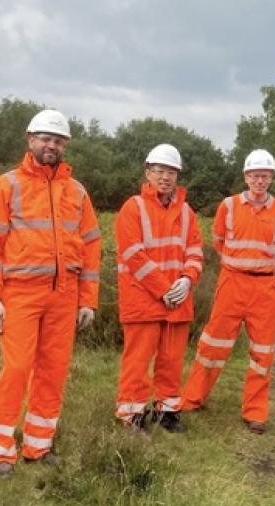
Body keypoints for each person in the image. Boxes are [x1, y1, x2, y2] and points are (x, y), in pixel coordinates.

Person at [0, 109, 102, 477]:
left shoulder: (77, 192)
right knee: (16, 369)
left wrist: (88, 299)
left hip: (64, 296)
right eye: (46, 138)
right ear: (30, 139)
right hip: (19, 295)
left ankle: (38, 445)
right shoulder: (7, 185)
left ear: (65, 146)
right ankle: (0, 452)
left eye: (59, 140)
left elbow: (92, 245)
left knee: (53, 370)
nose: (52, 145)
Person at [179, 149, 275, 434]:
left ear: (271, 179)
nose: (259, 181)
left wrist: (259, 266)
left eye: (265, 176)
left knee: (263, 353)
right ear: (246, 176)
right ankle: (192, 399)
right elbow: (218, 241)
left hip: (265, 287)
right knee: (211, 346)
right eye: (255, 175)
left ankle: (256, 412)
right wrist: (239, 264)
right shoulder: (228, 206)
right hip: (231, 283)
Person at [114, 143, 203, 433]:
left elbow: (195, 250)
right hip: (144, 299)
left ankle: (167, 411)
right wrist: (164, 288)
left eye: (171, 172)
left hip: (177, 300)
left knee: (172, 360)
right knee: (138, 360)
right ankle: (132, 414)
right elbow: (133, 254)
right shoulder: (133, 207)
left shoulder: (187, 212)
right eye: (159, 171)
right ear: (147, 172)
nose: (165, 177)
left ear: (178, 176)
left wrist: (188, 278)